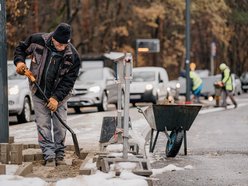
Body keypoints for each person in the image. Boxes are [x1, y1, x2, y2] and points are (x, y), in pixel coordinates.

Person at [14, 23, 81, 167]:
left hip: (60, 97)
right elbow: (20, 48)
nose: (62, 47)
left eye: (65, 44)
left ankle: (60, 155)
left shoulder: (73, 56)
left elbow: (69, 81)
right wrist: (19, 62)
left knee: (59, 125)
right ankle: (49, 155)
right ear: (53, 38)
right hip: (38, 91)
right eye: (59, 44)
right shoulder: (37, 40)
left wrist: (56, 98)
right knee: (43, 124)